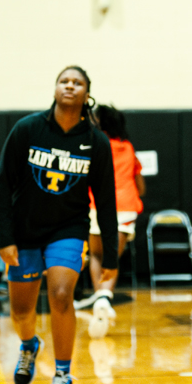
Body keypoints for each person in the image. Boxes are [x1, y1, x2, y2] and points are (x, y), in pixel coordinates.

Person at [0, 66, 118, 384]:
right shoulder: (28, 129)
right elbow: (2, 184)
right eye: (64, 81)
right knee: (22, 310)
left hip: (68, 229)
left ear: (86, 94)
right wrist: (5, 238)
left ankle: (63, 373)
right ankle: (30, 344)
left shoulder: (96, 142)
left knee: (62, 294)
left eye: (77, 83)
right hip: (24, 230)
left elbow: (106, 202)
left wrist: (110, 254)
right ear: (55, 90)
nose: (70, 86)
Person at [76, 104, 145, 309]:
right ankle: (105, 297)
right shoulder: (128, 148)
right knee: (112, 254)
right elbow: (141, 187)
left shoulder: (92, 144)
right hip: (125, 204)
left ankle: (100, 296)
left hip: (96, 204)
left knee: (96, 254)